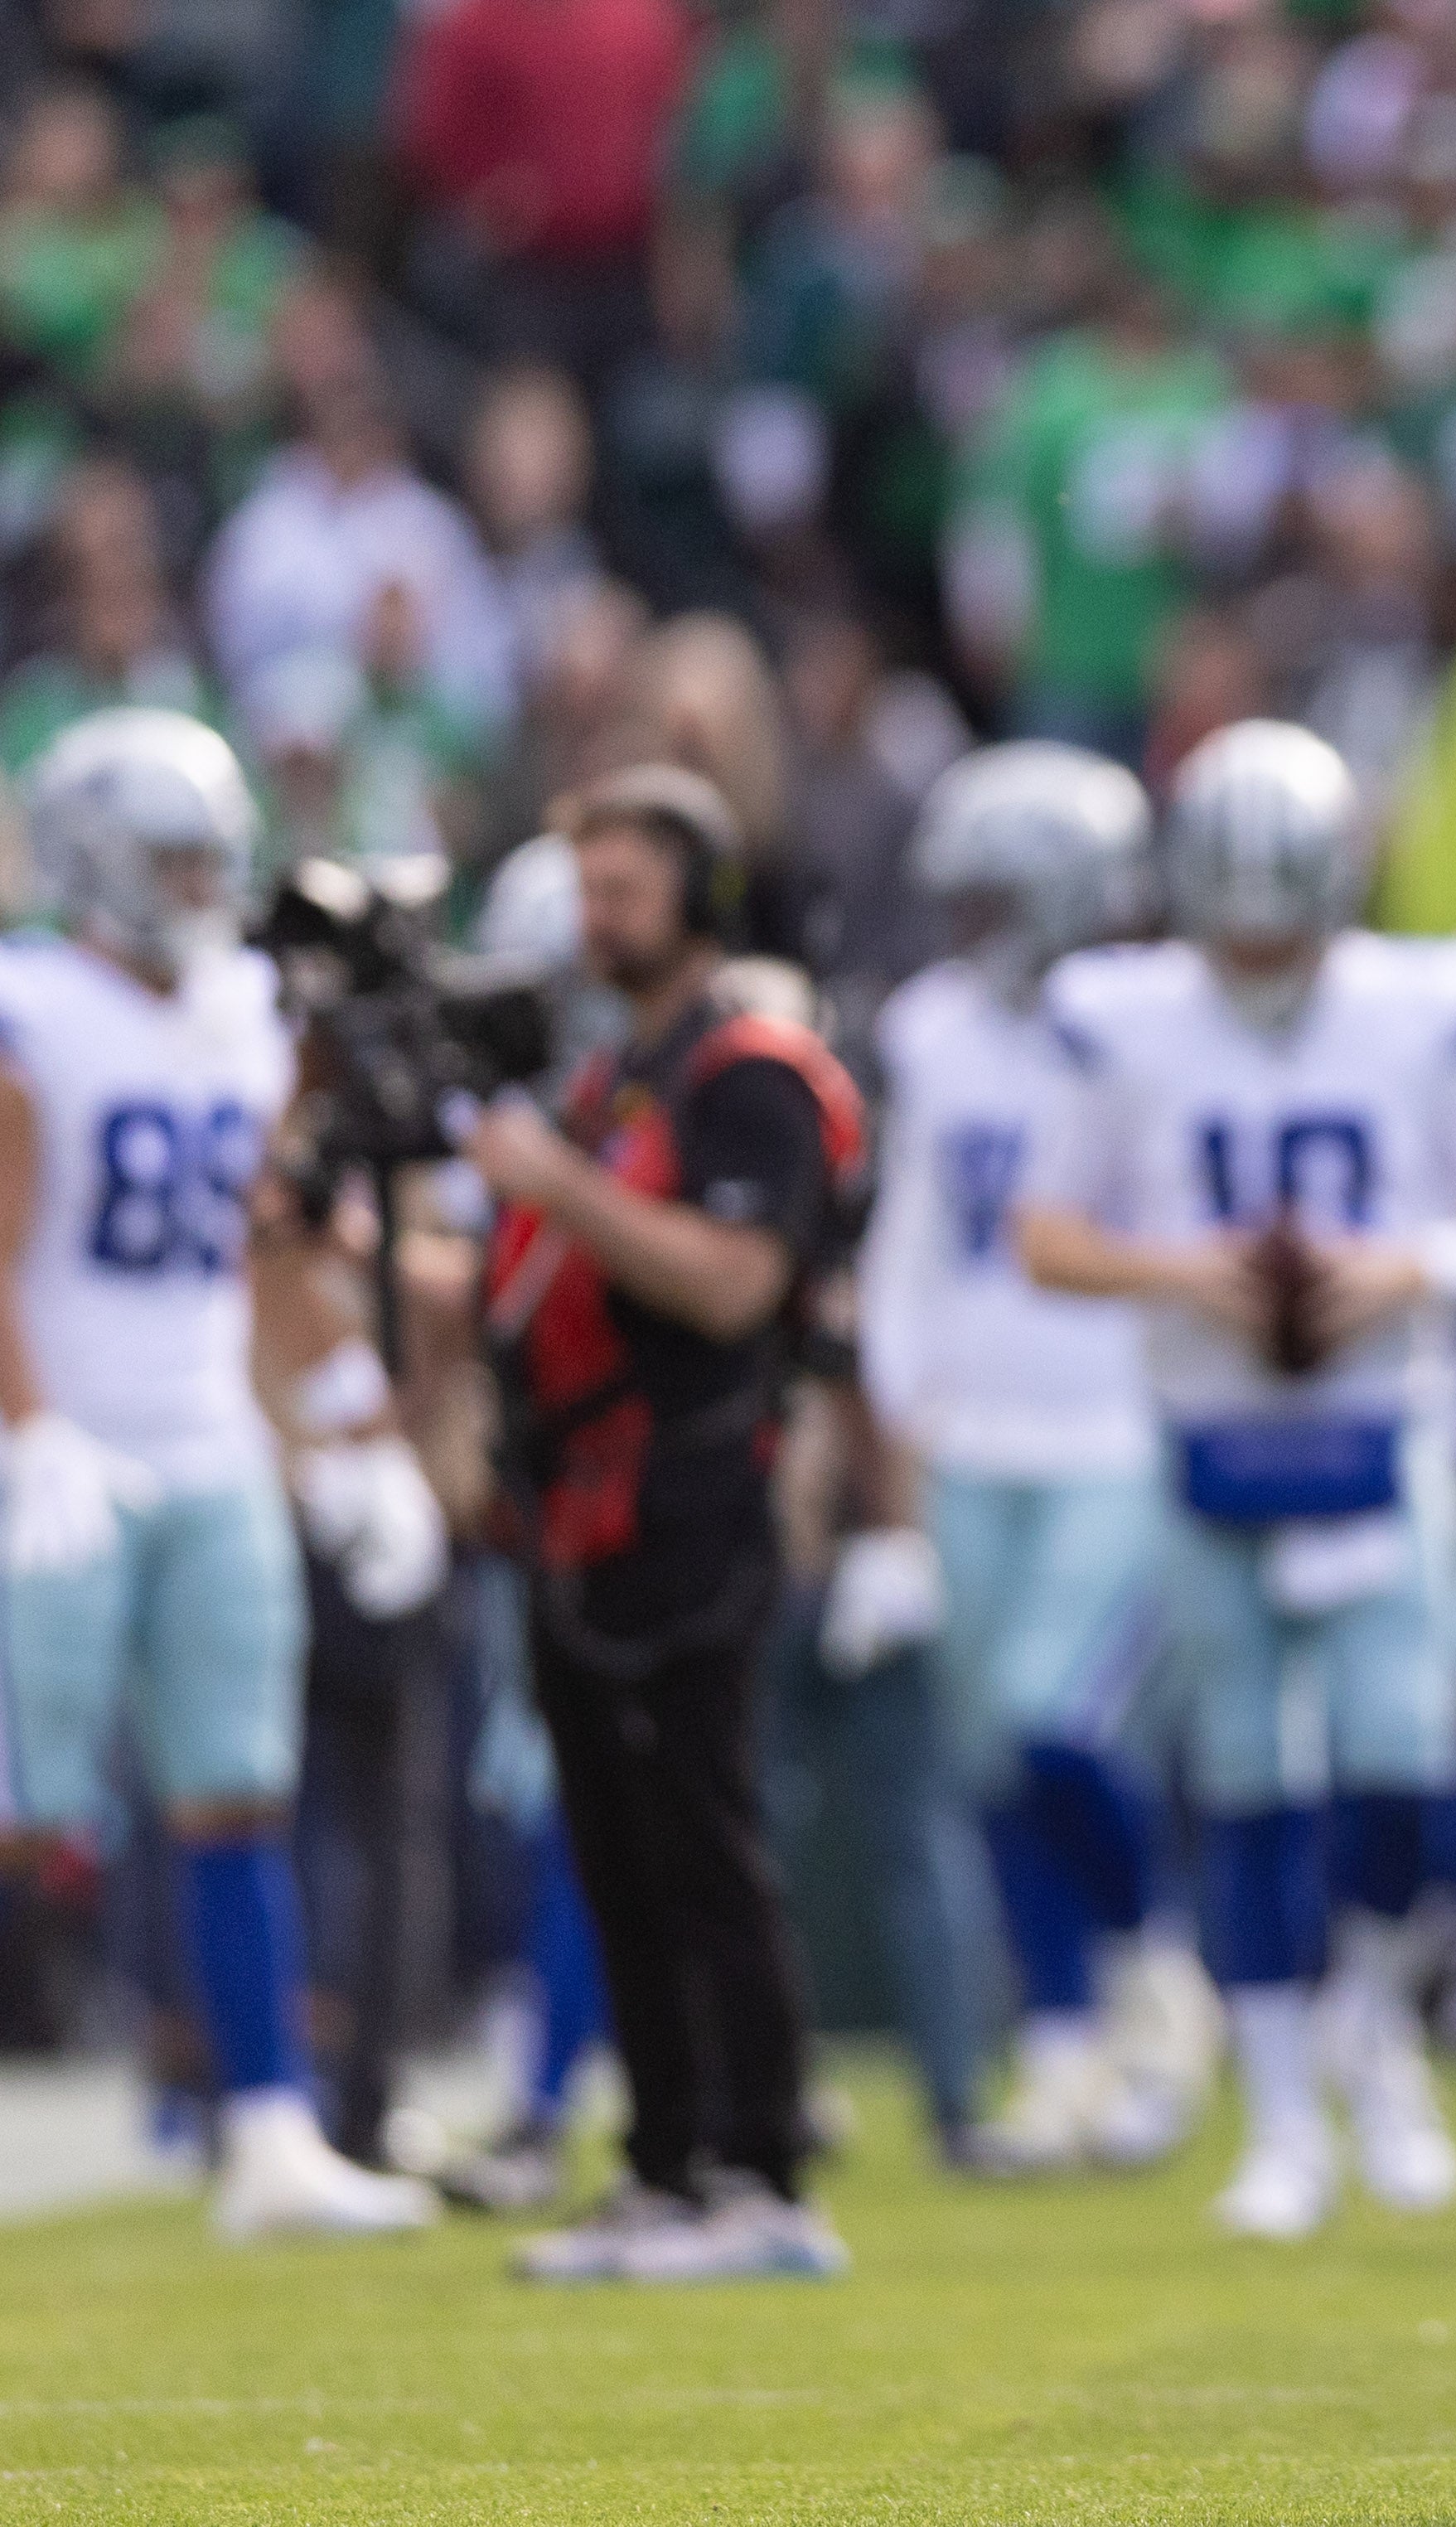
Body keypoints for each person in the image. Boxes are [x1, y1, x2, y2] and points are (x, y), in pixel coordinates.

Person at [1018, 719, 1456, 2241]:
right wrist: (1192, 1274)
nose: (1256, 947)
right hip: (1211, 1446)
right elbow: (1047, 1233)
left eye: (1280, 912)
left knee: (1400, 1770)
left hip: (1380, 1441)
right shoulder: (1124, 1017)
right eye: (1230, 915)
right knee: (1247, 1781)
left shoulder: (1418, 1008)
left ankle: (1379, 2038)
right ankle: (1285, 2111)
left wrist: (1392, 1274)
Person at [0, 709, 438, 2241]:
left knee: (234, 1793)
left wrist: (348, 1408)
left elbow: (270, 1238)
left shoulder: (249, 1009)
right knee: (28, 1805)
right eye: (170, 856)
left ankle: (268, 2137)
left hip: (210, 1441)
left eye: (210, 855)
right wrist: (29, 1426)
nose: (199, 886)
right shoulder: (30, 1007)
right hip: (58, 1452)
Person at [469, 764, 862, 2286]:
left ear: (696, 900)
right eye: (587, 890)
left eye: (624, 889)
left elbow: (729, 1281)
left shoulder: (742, 1070)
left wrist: (553, 1184)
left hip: (695, 1488)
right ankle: (660, 2161)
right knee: (612, 1848)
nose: (596, 919)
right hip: (573, 1499)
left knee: (703, 1833)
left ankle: (760, 2167)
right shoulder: (608, 1077)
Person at [854, 741, 1212, 2176]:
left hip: (1112, 1424)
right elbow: (908, 1243)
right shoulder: (929, 1025)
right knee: (994, 1759)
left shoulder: (1143, 1016)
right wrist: (897, 1438)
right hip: (972, 1433)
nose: (969, 924)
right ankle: (1058, 2054)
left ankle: (1158, 1967)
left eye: (996, 893)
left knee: (1055, 1719)